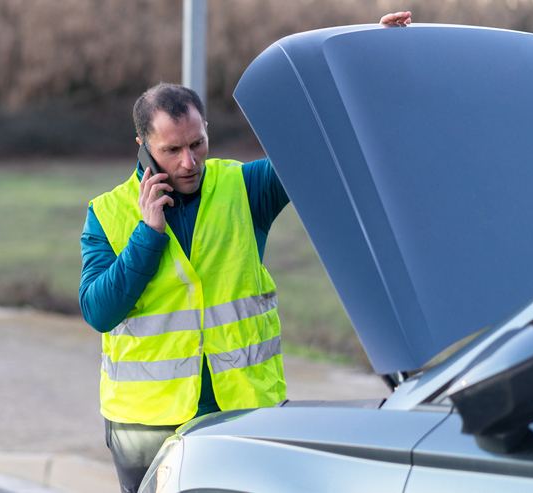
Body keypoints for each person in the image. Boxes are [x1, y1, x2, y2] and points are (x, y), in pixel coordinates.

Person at [80, 11, 412, 492]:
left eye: (198, 143)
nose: (189, 161)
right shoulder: (107, 213)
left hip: (241, 414)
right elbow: (99, 310)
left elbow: (314, 142)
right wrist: (146, 235)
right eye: (172, 150)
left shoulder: (244, 186)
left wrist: (372, 58)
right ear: (143, 145)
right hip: (146, 428)